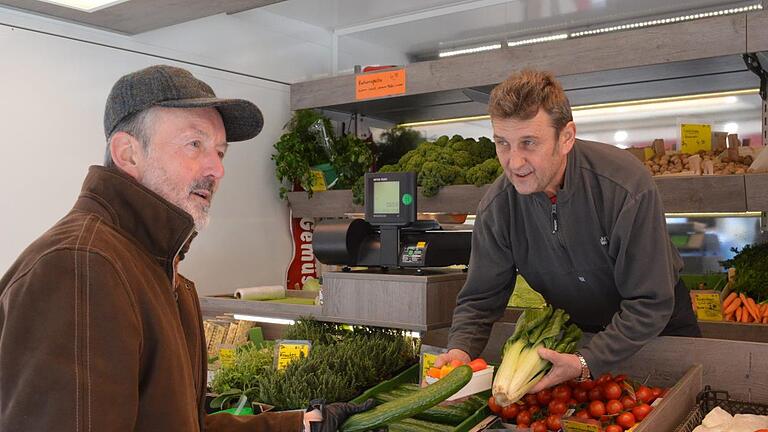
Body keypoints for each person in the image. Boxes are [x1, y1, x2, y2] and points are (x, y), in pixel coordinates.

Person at [0, 65, 372, 431]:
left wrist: (300, 425)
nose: (217, 170)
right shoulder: (81, 267)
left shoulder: (158, 267)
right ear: (128, 154)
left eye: (220, 152)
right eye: (194, 144)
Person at [436, 69, 700, 392]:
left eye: (528, 143)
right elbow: (480, 298)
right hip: (577, 338)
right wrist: (460, 350)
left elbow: (651, 302)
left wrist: (588, 361)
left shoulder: (625, 186)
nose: (514, 162)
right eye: (502, 143)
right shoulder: (498, 207)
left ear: (566, 137)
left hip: (659, 332)